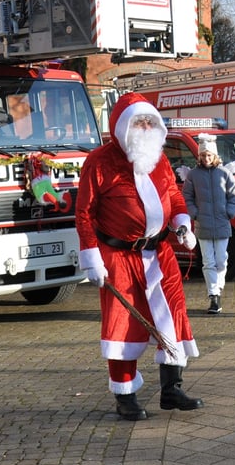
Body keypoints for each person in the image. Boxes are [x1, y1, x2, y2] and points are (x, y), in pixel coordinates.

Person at [76, 92, 205, 421]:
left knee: (172, 316)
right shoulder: (99, 162)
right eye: (138, 122)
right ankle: (125, 396)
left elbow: (173, 194)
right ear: (122, 126)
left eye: (149, 121)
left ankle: (171, 389)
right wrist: (92, 257)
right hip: (119, 257)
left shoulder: (159, 158)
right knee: (124, 324)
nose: (144, 127)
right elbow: (85, 214)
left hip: (160, 253)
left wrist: (181, 223)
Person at [183, 133, 235, 314]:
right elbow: (187, 197)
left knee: (221, 260)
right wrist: (195, 213)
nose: (206, 158)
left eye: (209, 155)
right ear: (199, 157)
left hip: (222, 223)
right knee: (208, 261)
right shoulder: (193, 175)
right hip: (203, 224)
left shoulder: (225, 174)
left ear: (215, 156)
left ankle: (218, 286)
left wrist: (229, 213)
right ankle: (213, 296)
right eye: (203, 155)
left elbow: (234, 196)